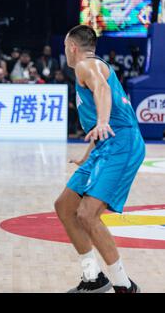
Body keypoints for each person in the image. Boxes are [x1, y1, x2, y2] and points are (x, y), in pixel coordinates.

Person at [54, 25, 145, 293]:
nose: (65, 52)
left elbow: (102, 91)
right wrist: (87, 156)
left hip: (122, 143)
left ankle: (123, 285)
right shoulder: (91, 66)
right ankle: (93, 277)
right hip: (105, 144)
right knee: (64, 206)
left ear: (72, 47)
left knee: (87, 214)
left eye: (64, 47)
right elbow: (100, 115)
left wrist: (103, 122)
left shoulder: (86, 66)